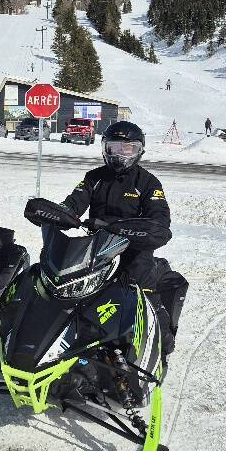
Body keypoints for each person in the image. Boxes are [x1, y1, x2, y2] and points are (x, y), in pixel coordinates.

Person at [50, 121, 187, 356]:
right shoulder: (94, 177)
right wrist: (61, 213)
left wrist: (141, 230)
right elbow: (74, 202)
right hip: (97, 247)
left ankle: (162, 337)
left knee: (142, 291)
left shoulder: (148, 183)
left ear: (139, 151)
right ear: (105, 148)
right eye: (114, 148)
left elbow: (160, 219)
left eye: (128, 149)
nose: (120, 155)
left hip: (135, 249)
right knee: (69, 286)